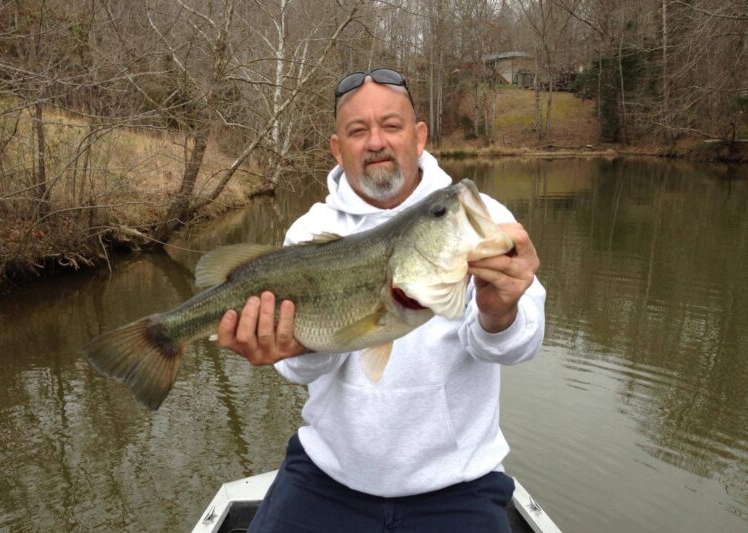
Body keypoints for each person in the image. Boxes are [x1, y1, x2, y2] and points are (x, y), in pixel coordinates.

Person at [216, 68, 546, 532]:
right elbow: (301, 369)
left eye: (391, 125)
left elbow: (520, 345)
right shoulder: (310, 234)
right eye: (358, 130)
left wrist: (500, 312)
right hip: (328, 476)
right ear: (337, 148)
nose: (376, 142)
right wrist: (294, 353)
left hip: (458, 483)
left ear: (419, 136)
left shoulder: (475, 219)